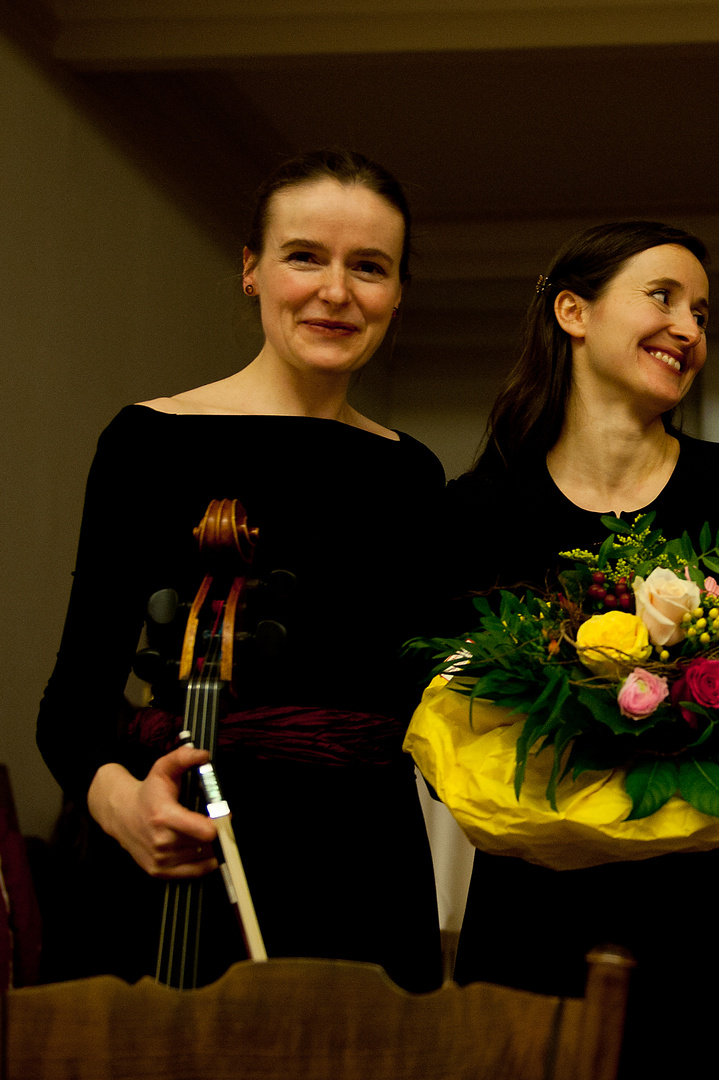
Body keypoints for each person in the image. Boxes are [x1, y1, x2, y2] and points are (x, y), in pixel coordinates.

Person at [36, 149, 444, 991]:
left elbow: (420, 698)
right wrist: (123, 807)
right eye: (305, 256)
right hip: (180, 847)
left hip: (362, 865)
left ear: (398, 292)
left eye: (369, 267)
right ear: (252, 270)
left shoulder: (412, 474)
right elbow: (72, 705)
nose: (337, 292)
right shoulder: (148, 443)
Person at [443, 221, 719, 1075]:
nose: (689, 329)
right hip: (528, 916)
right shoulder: (477, 509)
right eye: (663, 298)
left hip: (703, 921)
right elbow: (448, 724)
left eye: (703, 314)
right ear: (573, 312)